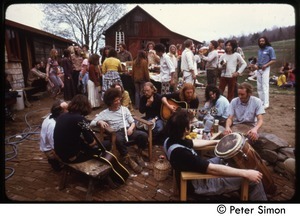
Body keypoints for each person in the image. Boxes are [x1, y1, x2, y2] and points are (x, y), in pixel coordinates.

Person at [163, 110, 267, 201]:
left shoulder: (170, 139)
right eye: (189, 123)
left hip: (195, 169)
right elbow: (212, 169)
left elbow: (194, 143)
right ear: (185, 129)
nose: (191, 125)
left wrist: (217, 141)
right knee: (253, 180)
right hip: (200, 184)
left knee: (226, 158)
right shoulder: (182, 154)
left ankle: (243, 189)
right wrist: (245, 173)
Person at [90, 88, 148, 173]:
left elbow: (132, 121)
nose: (118, 102)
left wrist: (131, 128)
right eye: (115, 101)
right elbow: (92, 123)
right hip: (116, 133)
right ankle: (127, 158)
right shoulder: (105, 113)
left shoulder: (124, 109)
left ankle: (138, 155)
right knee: (118, 139)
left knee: (143, 135)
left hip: (128, 130)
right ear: (110, 102)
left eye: (118, 100)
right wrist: (100, 121)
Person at [54, 94, 111, 164]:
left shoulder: (62, 116)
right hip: (72, 157)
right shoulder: (80, 119)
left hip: (60, 153)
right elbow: (92, 142)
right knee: (107, 144)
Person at [40, 99, 68, 171]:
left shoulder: (52, 116)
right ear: (61, 112)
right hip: (50, 150)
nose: (68, 112)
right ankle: (55, 161)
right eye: (66, 110)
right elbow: (54, 146)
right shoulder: (53, 125)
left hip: (51, 146)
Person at [254, 36, 276, 109]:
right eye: (260, 41)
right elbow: (258, 60)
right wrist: (256, 65)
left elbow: (273, 60)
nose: (261, 42)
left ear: (265, 41)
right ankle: (261, 102)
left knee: (265, 86)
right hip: (259, 69)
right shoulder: (259, 50)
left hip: (265, 69)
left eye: (263, 41)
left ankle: (266, 104)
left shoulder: (270, 49)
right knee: (259, 86)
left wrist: (266, 65)